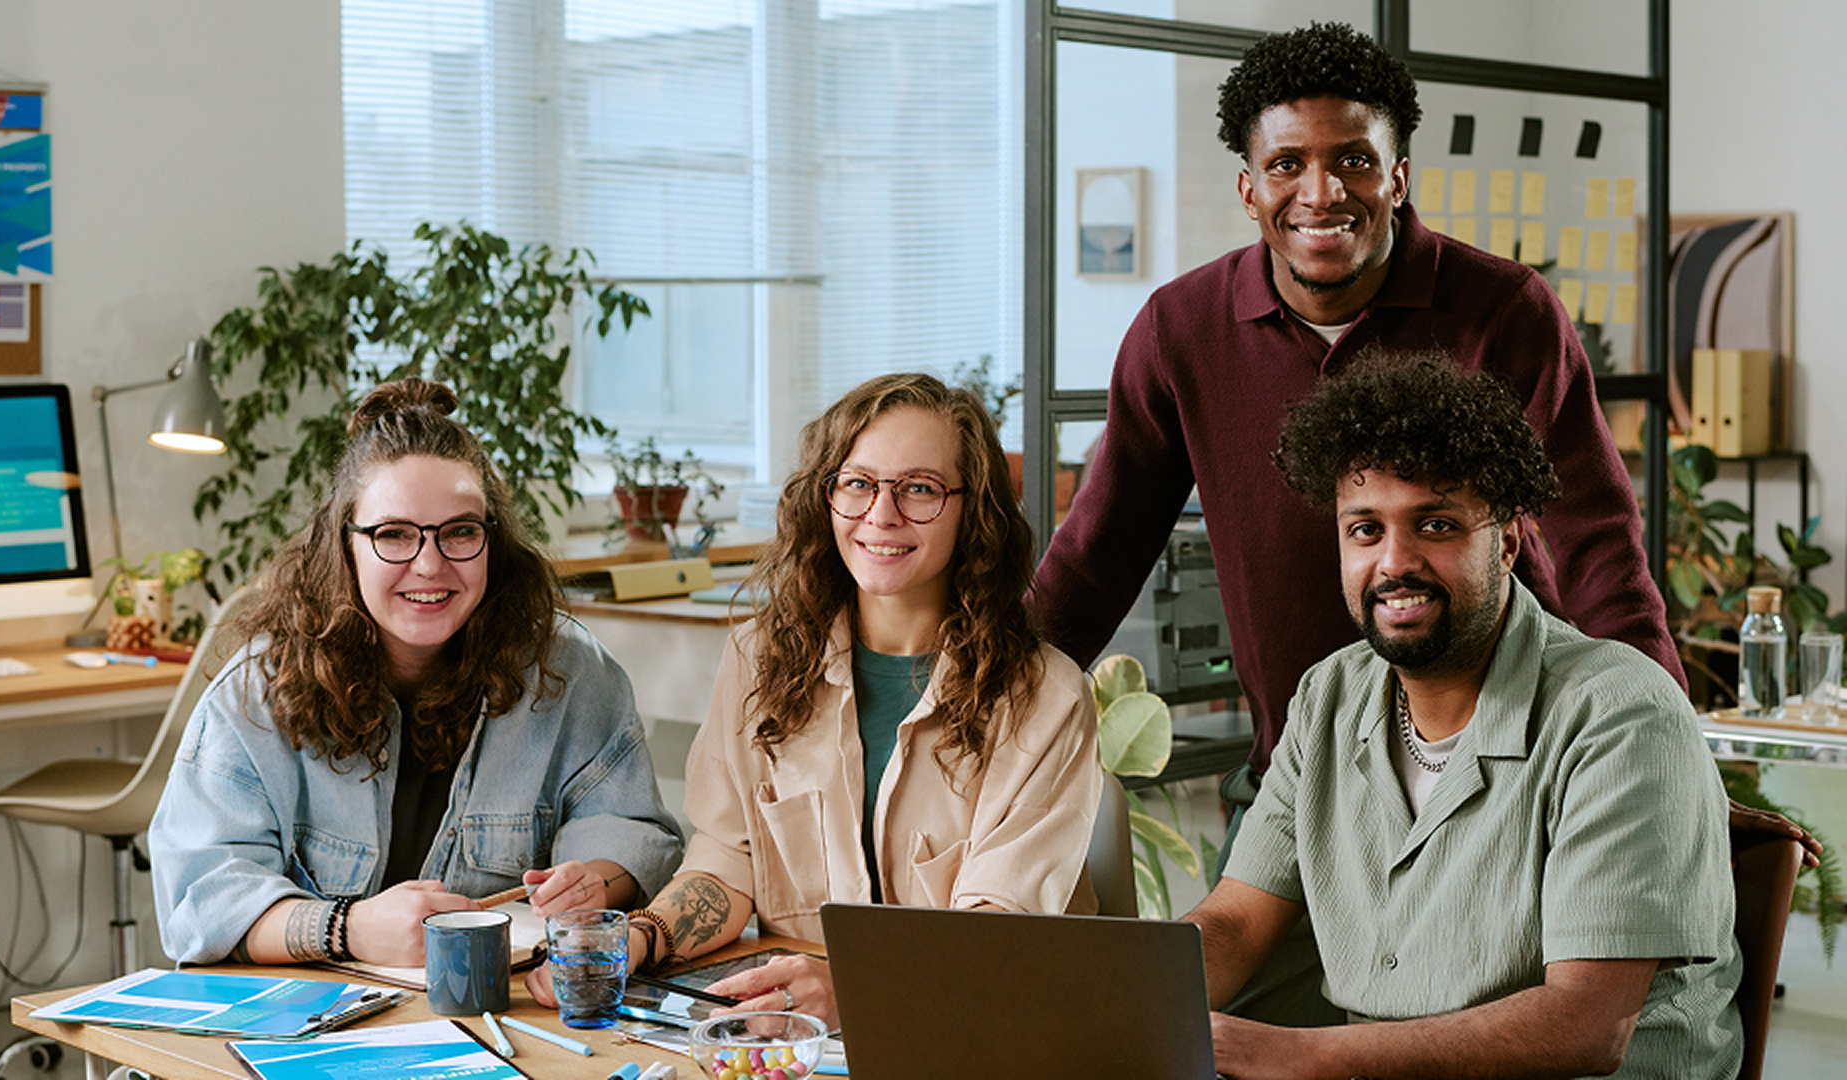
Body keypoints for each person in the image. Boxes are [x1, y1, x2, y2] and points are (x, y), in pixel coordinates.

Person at [1028, 20, 1814, 1021]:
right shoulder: (1179, 331)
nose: (1323, 191)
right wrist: (973, 723)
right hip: (1301, 774)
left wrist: (1663, 769)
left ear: (1398, 175)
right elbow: (1089, 566)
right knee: (1197, 1022)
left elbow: (1598, 550)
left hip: (1500, 785)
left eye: (1354, 159)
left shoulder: (1504, 313)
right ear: (1249, 185)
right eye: (1289, 164)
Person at [1188, 351, 1741, 1078]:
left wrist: (1301, 1054)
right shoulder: (1329, 697)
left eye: (1437, 525)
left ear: (1507, 540)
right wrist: (1126, 1001)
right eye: (1364, 530)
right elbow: (1234, 921)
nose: (1395, 563)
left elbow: (1585, 1026)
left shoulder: (1619, 714)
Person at [527, 373, 1103, 1028]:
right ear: (825, 498)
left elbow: (1000, 934)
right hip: (803, 1037)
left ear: (973, 510)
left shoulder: (1046, 697)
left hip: (978, 1033)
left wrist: (851, 990)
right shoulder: (758, 660)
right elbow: (729, 858)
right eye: (858, 484)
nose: (881, 514)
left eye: (919, 488)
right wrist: (639, 937)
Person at [151, 378, 683, 966]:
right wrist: (345, 928)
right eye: (394, 535)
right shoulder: (257, 693)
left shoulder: (570, 674)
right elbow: (200, 903)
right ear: (345, 545)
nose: (429, 565)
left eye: (460, 532)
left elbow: (632, 832)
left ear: (492, 542)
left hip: (505, 1018)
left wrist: (595, 884)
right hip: (312, 1027)